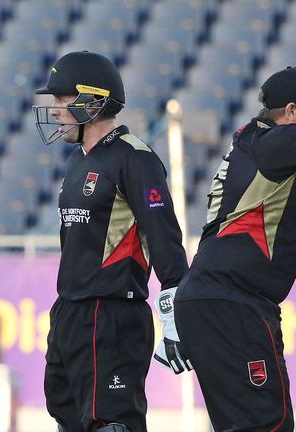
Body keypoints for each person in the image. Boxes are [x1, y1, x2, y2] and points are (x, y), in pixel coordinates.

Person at [172, 40, 296, 432]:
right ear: (292, 112)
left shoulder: (265, 145)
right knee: (268, 424)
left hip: (220, 298)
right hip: (233, 301)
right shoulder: (275, 144)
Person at [33, 51, 190, 432]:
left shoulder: (134, 158)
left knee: (112, 421)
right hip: (70, 310)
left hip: (114, 314)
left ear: (94, 100)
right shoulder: (78, 162)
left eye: (62, 99)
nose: (54, 110)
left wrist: (175, 312)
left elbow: (164, 235)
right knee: (67, 417)